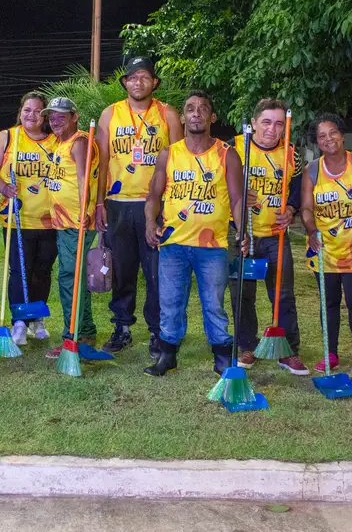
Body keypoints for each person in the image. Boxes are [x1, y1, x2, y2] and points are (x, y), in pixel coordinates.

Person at [143, 90, 247, 377]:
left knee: (214, 302)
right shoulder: (169, 154)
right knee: (171, 301)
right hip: (174, 243)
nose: (196, 113)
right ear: (184, 116)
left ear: (212, 117)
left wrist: (243, 230)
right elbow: (153, 195)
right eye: (190, 109)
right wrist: (150, 223)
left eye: (203, 109)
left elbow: (237, 200)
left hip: (212, 245)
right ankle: (167, 355)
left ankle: (222, 356)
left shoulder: (227, 155)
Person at [95, 56, 183, 357]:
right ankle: (121, 327)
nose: (138, 82)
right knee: (121, 269)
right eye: (133, 77)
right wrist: (98, 202)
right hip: (118, 204)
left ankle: (158, 332)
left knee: (156, 270)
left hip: (154, 205)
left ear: (154, 82)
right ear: (125, 82)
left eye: (145, 77)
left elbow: (179, 160)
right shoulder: (110, 114)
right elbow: (102, 161)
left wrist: (171, 205)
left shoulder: (168, 114)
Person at [227, 98, 307, 374]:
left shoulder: (291, 154)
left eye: (278, 124)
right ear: (253, 123)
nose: (272, 129)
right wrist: (237, 197)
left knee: (283, 293)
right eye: (266, 122)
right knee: (242, 293)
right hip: (242, 232)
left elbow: (296, 189)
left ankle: (288, 349)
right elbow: (219, 185)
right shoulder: (236, 148)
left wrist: (293, 209)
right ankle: (247, 346)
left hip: (275, 234)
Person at [300, 113, 352, 372]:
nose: (329, 139)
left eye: (333, 133)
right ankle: (331, 353)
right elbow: (305, 209)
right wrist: (312, 230)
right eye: (322, 136)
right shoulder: (312, 170)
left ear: (342, 134)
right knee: (329, 303)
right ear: (317, 142)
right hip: (324, 248)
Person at [0, 92, 58, 346]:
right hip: (16, 218)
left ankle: (37, 318)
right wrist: (4, 187)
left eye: (38, 111)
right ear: (21, 111)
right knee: (19, 271)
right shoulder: (8, 137)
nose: (32, 115)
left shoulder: (56, 140)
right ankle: (19, 322)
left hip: (50, 220)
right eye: (28, 110)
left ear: (45, 114)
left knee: (42, 271)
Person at [38, 97, 98, 359]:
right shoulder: (60, 143)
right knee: (75, 277)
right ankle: (84, 331)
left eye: (62, 115)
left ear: (75, 116)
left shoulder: (78, 142)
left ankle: (71, 336)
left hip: (77, 222)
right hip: (63, 223)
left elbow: (84, 178)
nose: (55, 119)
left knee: (69, 278)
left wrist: (85, 210)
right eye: (51, 115)